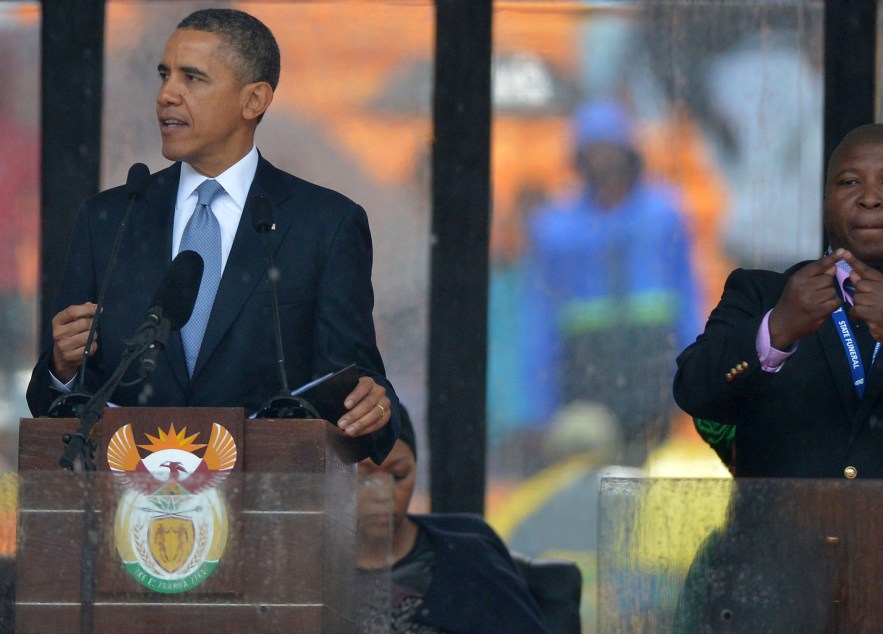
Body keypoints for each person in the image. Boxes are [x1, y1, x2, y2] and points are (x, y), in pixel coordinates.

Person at [25, 8, 398, 461]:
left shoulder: (324, 225)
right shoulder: (109, 221)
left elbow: (355, 392)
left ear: (253, 100)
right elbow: (56, 407)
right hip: (128, 510)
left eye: (192, 78)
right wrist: (63, 369)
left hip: (269, 513)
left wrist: (372, 408)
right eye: (164, 75)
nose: (166, 95)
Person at [674, 122, 883, 479]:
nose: (869, 198)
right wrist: (776, 329)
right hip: (776, 537)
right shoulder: (758, 294)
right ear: (825, 202)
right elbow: (694, 393)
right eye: (849, 182)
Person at [520, 99, 703, 463]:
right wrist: (536, 404)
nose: (603, 162)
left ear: (629, 154)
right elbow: (539, 313)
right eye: (593, 152)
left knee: (650, 469)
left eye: (611, 151)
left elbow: (686, 291)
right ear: (580, 159)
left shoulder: (663, 213)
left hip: (650, 361)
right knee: (591, 470)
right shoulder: (556, 227)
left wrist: (696, 372)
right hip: (587, 367)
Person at [354, 405, 551, 633]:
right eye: (363, 477)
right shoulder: (309, 568)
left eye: (398, 475)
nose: (382, 494)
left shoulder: (467, 554)